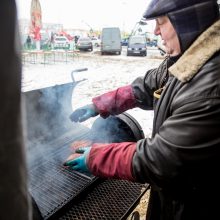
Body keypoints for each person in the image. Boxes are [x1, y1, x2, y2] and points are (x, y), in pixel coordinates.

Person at [65, 0, 220, 219]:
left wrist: (96, 158)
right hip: (175, 194)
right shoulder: (189, 58)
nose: (156, 31)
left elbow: (162, 158)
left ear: (185, 22)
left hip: (196, 205)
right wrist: (99, 105)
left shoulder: (211, 84)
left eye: (161, 22)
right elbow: (148, 85)